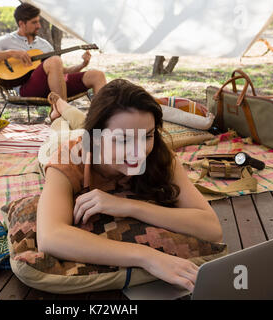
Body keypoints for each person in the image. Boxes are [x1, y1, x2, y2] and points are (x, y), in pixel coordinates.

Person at [37, 79, 223, 292]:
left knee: (77, 119)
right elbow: (50, 237)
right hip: (58, 144)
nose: (139, 151)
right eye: (124, 140)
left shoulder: (160, 156)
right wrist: (147, 257)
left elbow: (212, 228)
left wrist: (128, 206)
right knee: (64, 124)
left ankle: (62, 107)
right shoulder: (65, 160)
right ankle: (59, 106)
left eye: (148, 136)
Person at [0, 3, 107, 102]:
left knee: (97, 75)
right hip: (24, 89)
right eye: (34, 22)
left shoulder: (44, 45)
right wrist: (10, 53)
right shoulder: (7, 41)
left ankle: (102, 121)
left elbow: (60, 71)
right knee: (54, 60)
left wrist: (82, 65)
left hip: (53, 87)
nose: (39, 25)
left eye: (38, 21)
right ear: (21, 24)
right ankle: (61, 115)